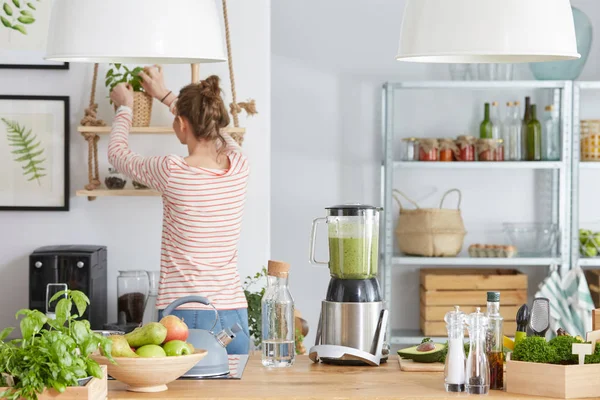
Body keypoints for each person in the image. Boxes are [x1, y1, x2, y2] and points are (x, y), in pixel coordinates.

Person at [108, 66, 250, 354]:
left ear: (182, 124)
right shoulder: (240, 165)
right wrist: (164, 94)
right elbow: (216, 131)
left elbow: (118, 154)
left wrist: (125, 107)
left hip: (185, 315)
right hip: (234, 315)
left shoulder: (172, 170)